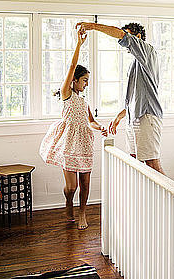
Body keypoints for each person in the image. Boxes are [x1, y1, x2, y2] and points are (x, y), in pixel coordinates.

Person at [39, 27, 108, 230]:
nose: (86, 84)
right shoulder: (66, 94)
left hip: (84, 143)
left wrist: (100, 127)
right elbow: (71, 65)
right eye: (84, 80)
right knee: (72, 187)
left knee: (85, 184)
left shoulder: (83, 101)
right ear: (75, 80)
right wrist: (79, 44)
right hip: (69, 142)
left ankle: (82, 212)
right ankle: (69, 201)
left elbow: (91, 121)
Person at [76, 21, 165, 174]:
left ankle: (170, 198)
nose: (124, 43)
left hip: (147, 117)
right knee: (135, 162)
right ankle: (143, 198)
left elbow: (122, 35)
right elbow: (137, 98)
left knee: (152, 164)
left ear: (137, 37)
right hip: (135, 118)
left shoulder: (147, 52)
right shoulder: (136, 63)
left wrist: (93, 26)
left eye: (129, 35)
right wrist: (119, 117)